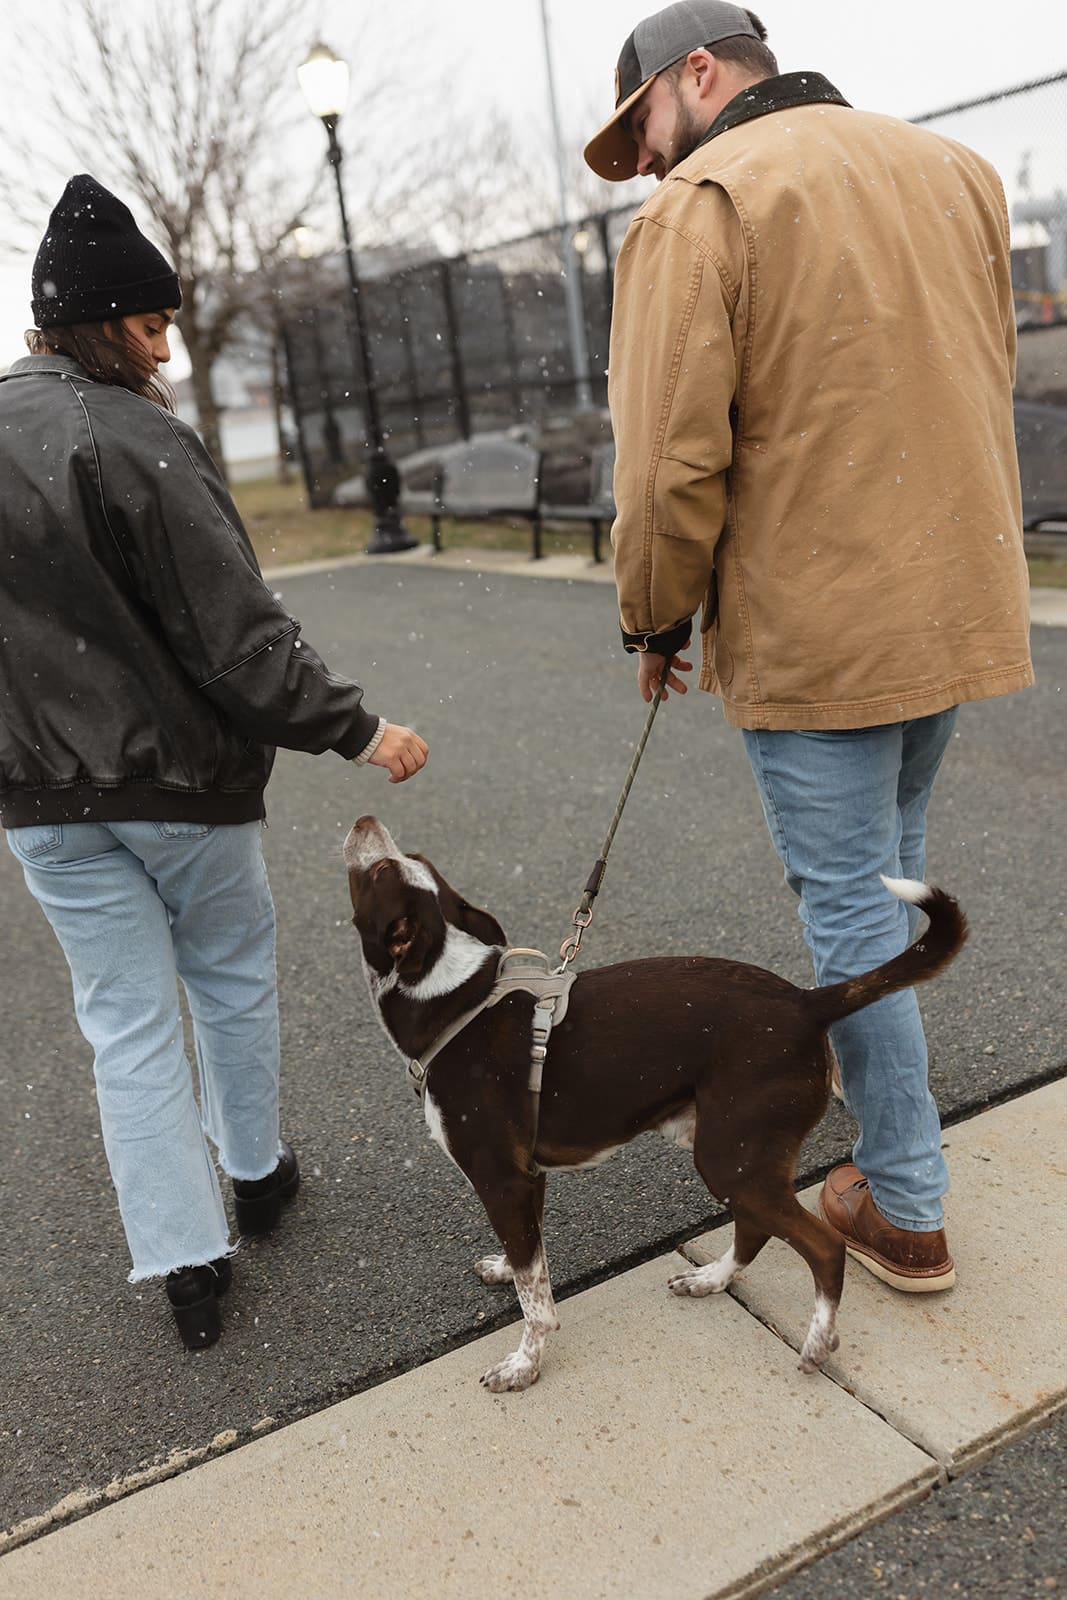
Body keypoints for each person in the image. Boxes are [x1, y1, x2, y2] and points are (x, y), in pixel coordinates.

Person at [585, 3, 1033, 1290]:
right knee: (887, 886)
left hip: (819, 625)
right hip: (948, 600)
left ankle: (903, 1202)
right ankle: (880, 1135)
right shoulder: (951, 170)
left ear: (699, 74)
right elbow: (971, 374)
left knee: (848, 922)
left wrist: (655, 616)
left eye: (645, 127)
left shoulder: (706, 203)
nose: (651, 162)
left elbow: (670, 455)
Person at [0, 174, 428, 1351]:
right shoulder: (137, 437)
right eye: (151, 326)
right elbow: (236, 636)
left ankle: (190, 1270)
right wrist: (355, 727)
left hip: (42, 798)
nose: (170, 352)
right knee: (228, 977)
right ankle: (258, 1172)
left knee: (125, 1025)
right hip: (182, 785)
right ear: (94, 323)